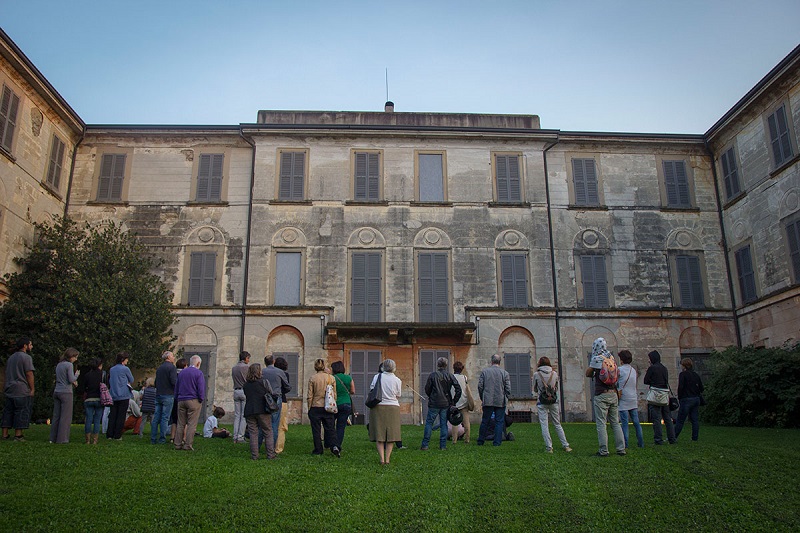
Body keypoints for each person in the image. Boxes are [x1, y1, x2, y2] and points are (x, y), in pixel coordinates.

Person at [584, 338, 626, 456]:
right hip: (613, 393)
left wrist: (592, 367)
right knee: (615, 423)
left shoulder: (597, 358)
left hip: (601, 394)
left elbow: (588, 373)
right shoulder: (611, 358)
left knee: (601, 423)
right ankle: (621, 449)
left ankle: (603, 450)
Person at [421, 357, 461, 451]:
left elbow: (427, 388)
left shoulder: (433, 375)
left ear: (438, 365)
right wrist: (454, 401)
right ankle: (442, 446)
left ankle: (425, 445)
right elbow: (458, 389)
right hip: (446, 403)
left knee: (429, 423)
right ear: (446, 365)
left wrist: (431, 396)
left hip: (434, 402)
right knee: (444, 424)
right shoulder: (450, 375)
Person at [533, 356, 571, 453]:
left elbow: (535, 389)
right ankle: (566, 445)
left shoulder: (537, 374)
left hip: (542, 401)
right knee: (557, 424)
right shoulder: (554, 374)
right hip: (553, 401)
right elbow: (556, 388)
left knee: (544, 425)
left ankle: (549, 447)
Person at [368, 358, 402, 465]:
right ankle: (387, 459)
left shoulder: (377, 377)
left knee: (379, 434)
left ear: (383, 367)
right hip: (393, 407)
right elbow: (398, 394)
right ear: (394, 368)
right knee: (391, 435)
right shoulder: (397, 380)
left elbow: (372, 389)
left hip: (378, 406)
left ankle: (382, 459)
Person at [2, 337, 35, 442]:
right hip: (21, 388)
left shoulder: (11, 357)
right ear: (25, 346)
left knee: (8, 411)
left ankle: (5, 434)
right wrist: (32, 388)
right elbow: (29, 373)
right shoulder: (26, 358)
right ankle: (18, 435)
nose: (31, 346)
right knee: (21, 411)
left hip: (9, 388)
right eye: (30, 344)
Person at [307, 358, 340, 457]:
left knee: (316, 430)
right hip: (327, 406)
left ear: (315, 367)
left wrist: (309, 407)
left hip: (315, 406)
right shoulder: (331, 378)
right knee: (330, 428)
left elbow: (310, 395)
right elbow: (334, 394)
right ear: (324, 366)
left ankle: (318, 449)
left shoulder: (313, 378)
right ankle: (334, 446)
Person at [243, 363, 276, 460]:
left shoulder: (246, 384)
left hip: (249, 410)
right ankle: (270, 454)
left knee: (253, 433)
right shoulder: (264, 382)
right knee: (268, 431)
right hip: (262, 409)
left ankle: (255, 455)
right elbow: (271, 393)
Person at [643, 349, 676, 445]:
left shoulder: (652, 368)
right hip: (664, 393)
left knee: (656, 418)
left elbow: (646, 380)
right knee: (667, 418)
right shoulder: (664, 368)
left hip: (655, 394)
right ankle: (672, 438)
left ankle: (658, 439)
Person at [477, 353, 511, 446]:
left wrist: (482, 397)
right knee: (499, 422)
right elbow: (508, 389)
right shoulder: (505, 373)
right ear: (500, 362)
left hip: (487, 400)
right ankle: (497, 442)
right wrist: (506, 397)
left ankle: (481, 440)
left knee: (485, 421)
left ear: (491, 361)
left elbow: (480, 386)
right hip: (500, 400)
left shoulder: (485, 372)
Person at [174, 355, 205, 451]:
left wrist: (177, 398)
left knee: (180, 423)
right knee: (192, 424)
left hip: (181, 399)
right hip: (193, 399)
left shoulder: (182, 373)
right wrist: (201, 398)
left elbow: (177, 386)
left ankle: (177, 444)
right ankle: (188, 445)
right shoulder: (198, 373)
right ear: (198, 363)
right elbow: (201, 388)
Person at [50, 347, 80, 444]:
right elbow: (71, 379)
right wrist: (76, 375)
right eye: (75, 357)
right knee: (65, 417)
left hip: (57, 391)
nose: (76, 359)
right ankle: (63, 439)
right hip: (66, 392)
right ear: (71, 356)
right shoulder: (69, 365)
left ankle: (53, 438)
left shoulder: (59, 365)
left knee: (56, 416)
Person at [262, 354, 291, 447]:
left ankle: (265, 445)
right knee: (278, 425)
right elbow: (287, 387)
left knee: (265, 424)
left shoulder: (263, 372)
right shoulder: (282, 373)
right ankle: (275, 447)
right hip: (280, 399)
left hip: (265, 399)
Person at [617, 350, 644, 448]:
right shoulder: (633, 370)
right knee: (636, 422)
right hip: (633, 397)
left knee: (624, 423)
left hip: (624, 398)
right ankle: (641, 443)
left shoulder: (620, 370)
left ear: (622, 359)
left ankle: (625, 444)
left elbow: (616, 381)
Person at [675, 357, 704, 442]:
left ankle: (674, 436)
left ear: (684, 366)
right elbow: (701, 388)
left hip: (686, 399)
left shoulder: (683, 375)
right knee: (695, 420)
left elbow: (681, 387)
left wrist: (679, 397)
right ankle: (695, 438)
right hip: (696, 399)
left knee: (680, 419)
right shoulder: (695, 375)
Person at [106, 352, 134, 440]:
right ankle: (117, 435)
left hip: (113, 394)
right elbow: (131, 379)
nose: (127, 361)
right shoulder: (125, 369)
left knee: (113, 415)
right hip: (123, 394)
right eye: (126, 359)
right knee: (121, 416)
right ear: (123, 360)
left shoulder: (112, 369)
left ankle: (110, 434)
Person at [151, 351, 177, 445]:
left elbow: (156, 382)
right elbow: (174, 381)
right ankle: (162, 438)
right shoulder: (171, 368)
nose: (174, 358)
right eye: (173, 356)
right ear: (169, 357)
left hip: (158, 394)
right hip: (168, 394)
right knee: (165, 418)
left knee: (156, 417)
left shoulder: (160, 368)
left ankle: (153, 438)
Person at [331, 361, 354, 450]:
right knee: (341, 426)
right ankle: (337, 445)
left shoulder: (332, 378)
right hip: (346, 403)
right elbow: (353, 391)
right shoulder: (348, 378)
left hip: (334, 404)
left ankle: (330, 443)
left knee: (331, 425)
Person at [81, 357, 104, 444]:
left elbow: (84, 388)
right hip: (99, 398)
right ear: (99, 365)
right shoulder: (102, 375)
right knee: (97, 420)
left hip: (89, 398)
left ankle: (87, 440)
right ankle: (95, 440)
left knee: (89, 419)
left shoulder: (87, 375)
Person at [231, 351, 250, 444]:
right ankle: (240, 437)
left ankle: (235, 436)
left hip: (236, 390)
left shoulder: (234, 368)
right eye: (248, 358)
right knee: (243, 416)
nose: (248, 360)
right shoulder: (246, 367)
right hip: (244, 390)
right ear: (245, 358)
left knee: (237, 415)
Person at [274, 356, 291, 454]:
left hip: (270, 400)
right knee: (281, 425)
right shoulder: (285, 374)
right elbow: (287, 388)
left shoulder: (270, 373)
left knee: (271, 424)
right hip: (282, 400)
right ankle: (278, 448)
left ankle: (270, 445)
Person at [452, 361, 472, 444]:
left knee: (455, 422)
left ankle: (454, 440)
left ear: (454, 368)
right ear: (462, 369)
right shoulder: (464, 378)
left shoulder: (451, 377)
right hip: (463, 401)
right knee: (466, 422)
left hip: (455, 402)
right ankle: (467, 439)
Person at [169, 357, 188, 442]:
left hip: (174, 397)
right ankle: (183, 437)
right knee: (184, 419)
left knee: (174, 419)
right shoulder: (185, 375)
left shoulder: (173, 373)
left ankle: (172, 437)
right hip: (182, 397)